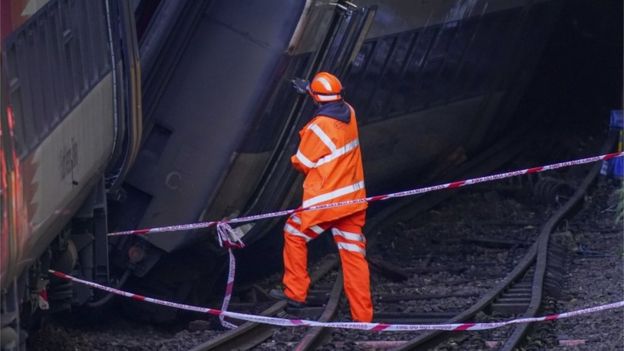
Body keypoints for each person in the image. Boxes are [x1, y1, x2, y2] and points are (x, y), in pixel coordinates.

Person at [270, 72, 373, 322]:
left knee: (294, 232)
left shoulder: (318, 127)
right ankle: (363, 319)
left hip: (328, 203)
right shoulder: (349, 111)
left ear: (317, 97)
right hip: (354, 201)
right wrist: (311, 93)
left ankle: (295, 294)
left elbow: (302, 162)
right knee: (353, 255)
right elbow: (330, 110)